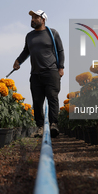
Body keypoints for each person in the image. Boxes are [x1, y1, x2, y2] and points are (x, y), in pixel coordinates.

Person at [13, 10, 65, 138]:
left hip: (51, 72)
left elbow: (60, 50)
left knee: (52, 99)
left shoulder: (52, 33)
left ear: (43, 19)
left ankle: (53, 125)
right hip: (35, 74)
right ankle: (40, 127)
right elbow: (26, 51)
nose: (32, 19)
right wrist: (18, 60)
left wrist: (61, 68)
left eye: (36, 17)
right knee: (37, 101)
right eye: (32, 17)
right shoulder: (29, 36)